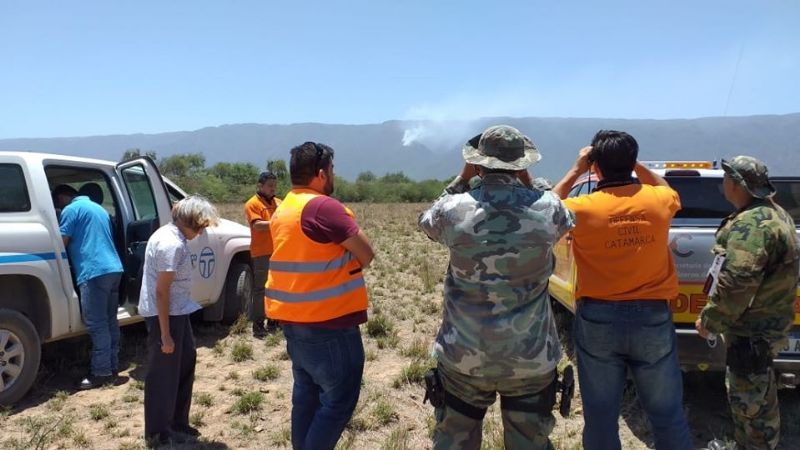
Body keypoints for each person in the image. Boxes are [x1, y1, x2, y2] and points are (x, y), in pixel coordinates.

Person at [419, 125, 574, 450]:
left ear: (478, 164)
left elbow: (427, 221)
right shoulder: (548, 208)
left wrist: (462, 179)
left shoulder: (454, 208)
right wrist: (530, 182)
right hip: (531, 360)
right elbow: (559, 209)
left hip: (464, 358)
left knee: (454, 442)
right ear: (522, 166)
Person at [552, 130, 692, 450]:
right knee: (667, 412)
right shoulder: (659, 200)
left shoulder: (582, 207)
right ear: (631, 163)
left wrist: (577, 169)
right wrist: (633, 164)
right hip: (652, 317)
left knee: (600, 416)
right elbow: (665, 187)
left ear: (595, 167)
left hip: (598, 316)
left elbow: (546, 208)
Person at [265, 142, 375, 450]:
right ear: (321, 173)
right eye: (332, 170)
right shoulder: (324, 207)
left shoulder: (285, 207)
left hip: (295, 323)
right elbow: (366, 254)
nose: (333, 175)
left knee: (306, 396)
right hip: (329, 324)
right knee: (338, 401)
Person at [695, 156, 799, 450]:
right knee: (759, 394)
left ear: (737, 185)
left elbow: (738, 282)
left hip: (752, 329)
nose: (723, 183)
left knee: (748, 400)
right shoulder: (776, 214)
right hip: (769, 324)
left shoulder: (751, 224)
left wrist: (711, 319)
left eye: (727, 178)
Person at [138, 195, 220, 446]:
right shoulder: (170, 244)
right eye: (202, 225)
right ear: (193, 222)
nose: (202, 231)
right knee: (164, 374)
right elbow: (162, 291)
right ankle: (159, 432)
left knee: (185, 363)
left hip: (178, 312)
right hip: (166, 316)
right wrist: (165, 335)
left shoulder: (174, 237)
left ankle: (177, 422)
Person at [53, 184, 123, 390]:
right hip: (114, 269)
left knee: (97, 323)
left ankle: (100, 372)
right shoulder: (99, 209)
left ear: (61, 198)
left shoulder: (70, 210)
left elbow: (61, 242)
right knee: (110, 320)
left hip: (93, 271)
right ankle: (112, 366)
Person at [244, 170, 282, 337]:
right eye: (269, 186)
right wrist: (278, 222)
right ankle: (258, 324)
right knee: (261, 289)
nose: (273, 189)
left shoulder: (279, 202)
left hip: (280, 251)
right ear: (260, 186)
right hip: (261, 253)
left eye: (274, 186)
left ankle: (274, 320)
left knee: (277, 287)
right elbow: (258, 226)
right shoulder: (252, 204)